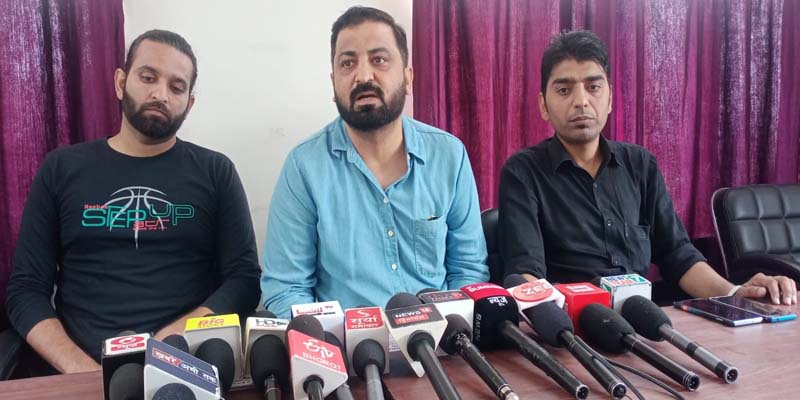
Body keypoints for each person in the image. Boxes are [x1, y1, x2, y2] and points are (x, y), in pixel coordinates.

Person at [5, 30, 261, 374]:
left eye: (176, 87)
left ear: (189, 104)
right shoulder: (61, 168)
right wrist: (83, 372)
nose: (160, 94)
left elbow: (244, 281)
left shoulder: (216, 172)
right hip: (77, 369)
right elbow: (25, 291)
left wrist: (169, 344)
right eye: (148, 77)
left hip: (184, 362)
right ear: (120, 82)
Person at [498, 30, 796, 305]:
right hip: (571, 326)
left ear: (610, 98)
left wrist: (734, 293)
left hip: (645, 322)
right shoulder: (523, 172)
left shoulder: (640, 165)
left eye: (593, 87)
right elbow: (526, 272)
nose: (581, 101)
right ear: (543, 105)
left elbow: (677, 254)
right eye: (564, 90)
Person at [261, 6, 488, 318]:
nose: (364, 76)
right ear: (334, 83)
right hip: (343, 344)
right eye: (348, 63)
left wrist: (452, 331)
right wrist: (328, 341)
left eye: (379, 59)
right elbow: (286, 288)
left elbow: (468, 270)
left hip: (440, 338)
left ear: (407, 78)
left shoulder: (449, 156)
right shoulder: (304, 168)